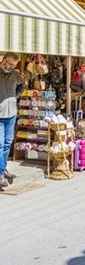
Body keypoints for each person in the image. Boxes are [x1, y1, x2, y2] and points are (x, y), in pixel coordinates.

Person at [0, 53, 24, 188]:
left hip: (11, 114)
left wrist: (16, 96)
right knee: (0, 144)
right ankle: (0, 174)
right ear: (3, 61)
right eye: (10, 64)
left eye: (14, 65)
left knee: (8, 143)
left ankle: (2, 169)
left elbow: (22, 85)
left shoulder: (15, 75)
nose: (11, 67)